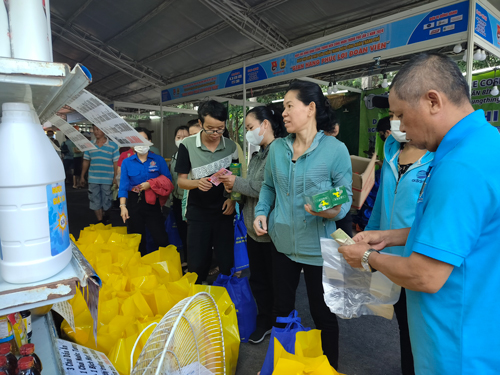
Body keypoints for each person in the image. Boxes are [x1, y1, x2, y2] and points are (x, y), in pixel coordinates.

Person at [338, 52, 500, 374]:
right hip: (477, 328)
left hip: (454, 348)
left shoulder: (460, 167)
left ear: (432, 101)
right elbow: (456, 237)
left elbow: (425, 275)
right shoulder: (485, 142)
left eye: (400, 114)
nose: (399, 127)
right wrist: (388, 235)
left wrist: (368, 258)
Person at [253, 80, 352, 369]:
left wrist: (332, 210)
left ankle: (328, 368)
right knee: (281, 311)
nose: (283, 113)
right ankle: (283, 364)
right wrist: (262, 211)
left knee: (323, 315)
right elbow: (268, 187)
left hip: (319, 249)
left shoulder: (335, 150)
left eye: (289, 106)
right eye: (283, 107)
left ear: (310, 109)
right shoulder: (278, 150)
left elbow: (343, 195)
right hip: (281, 243)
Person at [365, 109, 434, 375]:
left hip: (420, 257)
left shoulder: (436, 157)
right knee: (404, 324)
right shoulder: (391, 151)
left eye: (401, 113)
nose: (395, 120)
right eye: (392, 113)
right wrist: (370, 236)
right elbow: (382, 200)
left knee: (423, 327)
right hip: (388, 254)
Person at [218, 104, 287, 344]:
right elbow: (254, 186)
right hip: (253, 227)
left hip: (270, 230)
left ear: (265, 124)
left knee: (274, 280)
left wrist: (237, 182)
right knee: (258, 278)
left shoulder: (279, 150)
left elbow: (268, 188)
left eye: (250, 127)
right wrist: (234, 186)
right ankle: (265, 318)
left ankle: (279, 323)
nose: (248, 132)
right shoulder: (259, 153)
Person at [175, 100, 238, 284]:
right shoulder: (187, 145)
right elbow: (181, 181)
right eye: (211, 128)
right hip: (198, 213)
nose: (216, 134)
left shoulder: (231, 146)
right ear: (200, 123)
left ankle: (227, 299)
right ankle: (198, 303)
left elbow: (236, 179)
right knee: (197, 264)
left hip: (224, 212)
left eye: (220, 128)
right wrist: (196, 183)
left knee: (226, 262)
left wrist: (233, 200)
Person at [119, 127, 172, 256]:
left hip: (152, 201)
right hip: (133, 201)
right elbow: (123, 186)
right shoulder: (127, 162)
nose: (141, 144)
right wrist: (123, 206)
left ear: (150, 141)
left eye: (145, 139)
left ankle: (165, 264)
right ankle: (140, 266)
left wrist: (152, 184)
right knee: (137, 237)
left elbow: (168, 181)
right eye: (137, 140)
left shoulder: (158, 160)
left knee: (160, 236)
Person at [80, 125, 119, 223]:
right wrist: (82, 176)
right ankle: (100, 221)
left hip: (108, 178)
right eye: (95, 129)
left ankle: (106, 215)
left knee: (107, 200)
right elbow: (86, 161)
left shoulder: (113, 145)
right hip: (93, 178)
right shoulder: (89, 145)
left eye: (99, 129)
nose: (96, 132)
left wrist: (116, 177)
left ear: (104, 130)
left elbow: (116, 163)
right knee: (94, 199)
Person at [324, 121, 353, 236]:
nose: (334, 126)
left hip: (338, 209)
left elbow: (344, 191)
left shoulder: (339, 148)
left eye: (337, 123)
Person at [169, 124, 190, 266]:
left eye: (185, 137)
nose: (181, 140)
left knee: (192, 233)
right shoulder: (174, 157)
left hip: (189, 201)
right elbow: (171, 180)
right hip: (177, 200)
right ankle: (187, 259)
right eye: (178, 137)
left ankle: (194, 262)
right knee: (182, 232)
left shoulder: (193, 156)